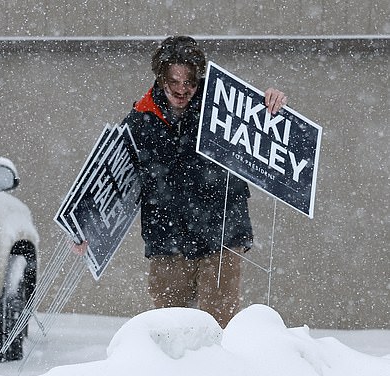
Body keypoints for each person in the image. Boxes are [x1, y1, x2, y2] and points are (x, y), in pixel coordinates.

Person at [121, 36, 287, 327]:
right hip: (166, 241)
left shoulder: (226, 109)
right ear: (160, 77)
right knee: (168, 337)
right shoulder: (140, 119)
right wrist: (86, 231)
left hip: (222, 237)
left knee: (219, 331)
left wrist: (271, 103)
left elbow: (267, 126)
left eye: (190, 81)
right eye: (174, 80)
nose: (181, 89)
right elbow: (113, 179)